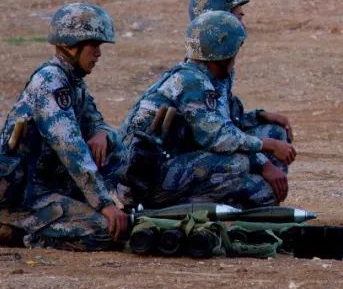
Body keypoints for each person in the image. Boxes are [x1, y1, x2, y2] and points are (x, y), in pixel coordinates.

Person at [0, 3, 129, 250]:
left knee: (115, 145)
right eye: (94, 46)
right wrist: (104, 204)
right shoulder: (50, 83)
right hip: (26, 195)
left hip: (48, 183)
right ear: (70, 45)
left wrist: (101, 132)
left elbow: (94, 119)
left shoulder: (72, 80)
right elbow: (71, 150)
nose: (98, 53)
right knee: (106, 233)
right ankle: (18, 229)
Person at [120, 11, 295, 208]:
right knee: (237, 163)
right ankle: (175, 210)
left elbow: (226, 123)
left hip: (163, 168)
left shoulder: (201, 77)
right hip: (143, 181)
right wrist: (267, 145)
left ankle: (224, 206)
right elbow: (219, 138)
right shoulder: (191, 82)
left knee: (264, 193)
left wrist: (260, 117)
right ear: (224, 53)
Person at [188, 0, 293, 180]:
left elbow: (225, 119)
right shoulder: (197, 77)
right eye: (238, 18)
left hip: (201, 151)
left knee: (274, 131)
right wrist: (264, 158)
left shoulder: (217, 67)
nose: (242, 25)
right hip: (182, 159)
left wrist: (259, 116)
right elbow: (217, 136)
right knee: (251, 163)